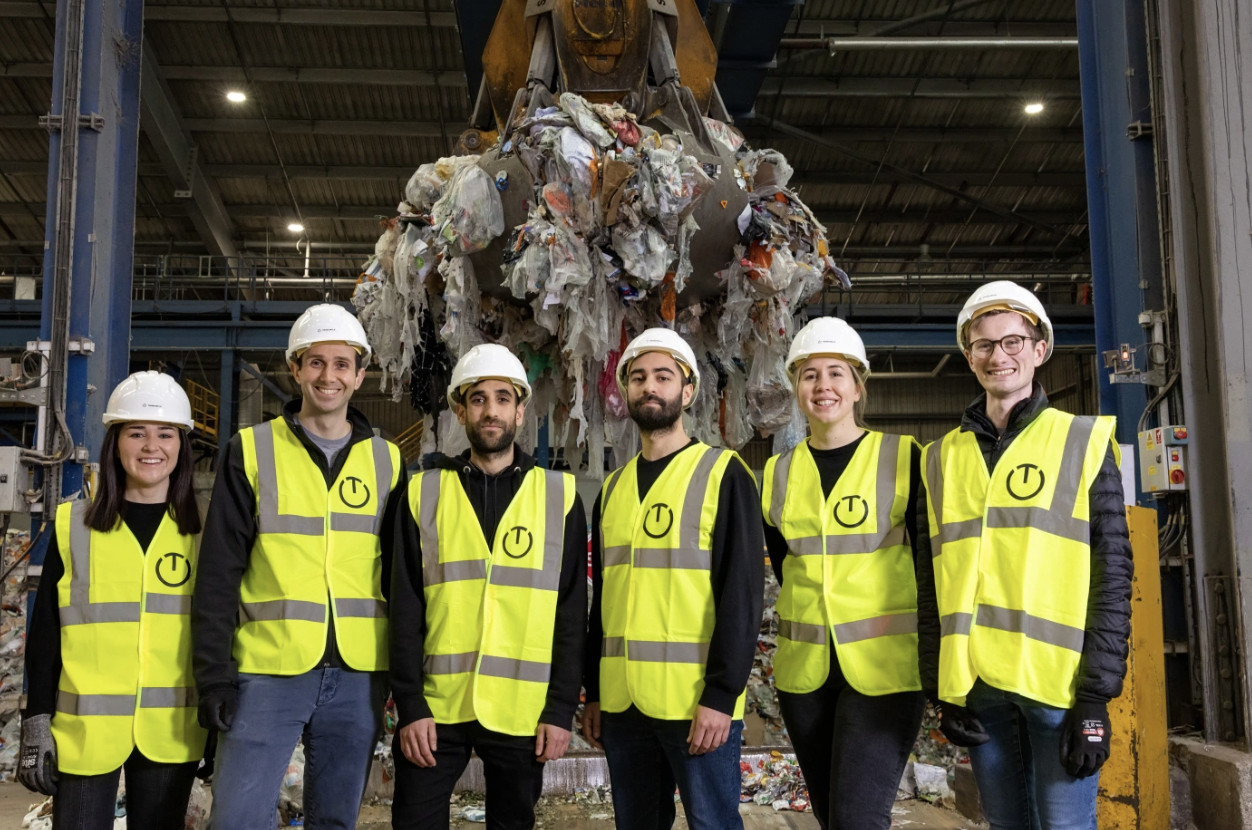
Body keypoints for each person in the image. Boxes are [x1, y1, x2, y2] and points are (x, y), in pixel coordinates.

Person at [915, 281, 1132, 830]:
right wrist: (945, 690)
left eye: (1013, 342)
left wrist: (1096, 698)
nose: (998, 356)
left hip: (1057, 689)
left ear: (1039, 350)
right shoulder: (940, 459)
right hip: (979, 688)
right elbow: (929, 581)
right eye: (984, 345)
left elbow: (1112, 572)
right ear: (969, 356)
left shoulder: (1081, 442)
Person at [193, 304, 407, 829]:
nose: (327, 376)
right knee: (237, 819)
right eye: (315, 362)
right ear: (295, 369)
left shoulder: (388, 461)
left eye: (341, 364)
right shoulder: (251, 450)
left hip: (358, 674)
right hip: (268, 670)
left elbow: (402, 579)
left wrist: (400, 676)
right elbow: (219, 571)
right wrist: (214, 676)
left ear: (360, 375)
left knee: (335, 820)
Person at [388, 344, 587, 830]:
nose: (491, 410)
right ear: (461, 410)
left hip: (522, 711)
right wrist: (410, 705)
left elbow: (570, 613)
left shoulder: (559, 496)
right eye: (478, 399)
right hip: (437, 706)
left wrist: (561, 710)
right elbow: (404, 606)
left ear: (521, 411)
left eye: (503, 398)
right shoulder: (422, 492)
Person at [581, 328, 764, 830]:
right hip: (623, 705)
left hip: (694, 704)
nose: (649, 387)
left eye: (663, 376)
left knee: (713, 823)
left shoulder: (723, 474)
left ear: (687, 391)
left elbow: (742, 598)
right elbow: (605, 605)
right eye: (638, 378)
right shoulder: (611, 489)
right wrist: (594, 691)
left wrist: (721, 696)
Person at [19, 371, 207, 829]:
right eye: (136, 432)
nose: (151, 446)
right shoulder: (73, 525)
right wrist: (36, 718)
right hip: (84, 733)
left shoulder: (204, 535)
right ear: (115, 443)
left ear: (181, 446)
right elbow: (45, 636)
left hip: (171, 733)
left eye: (165, 434)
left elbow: (219, 634)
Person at [760, 317, 926, 830]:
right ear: (796, 388)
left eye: (836, 373)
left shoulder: (904, 458)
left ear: (858, 386)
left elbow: (930, 566)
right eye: (810, 375)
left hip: (884, 672)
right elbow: (786, 564)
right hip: (805, 675)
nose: (823, 386)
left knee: (857, 819)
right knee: (833, 815)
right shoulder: (778, 472)